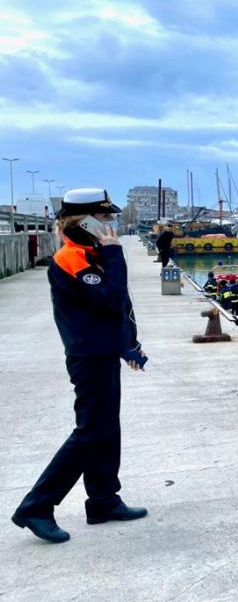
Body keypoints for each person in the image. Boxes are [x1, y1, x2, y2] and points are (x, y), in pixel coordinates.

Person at [11, 188, 148, 544]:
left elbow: (119, 308)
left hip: (103, 351)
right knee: (90, 432)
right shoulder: (72, 258)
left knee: (107, 428)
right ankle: (36, 506)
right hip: (89, 355)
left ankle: (103, 499)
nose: (111, 224)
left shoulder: (91, 252)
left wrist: (129, 346)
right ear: (84, 221)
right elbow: (110, 300)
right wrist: (116, 256)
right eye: (104, 218)